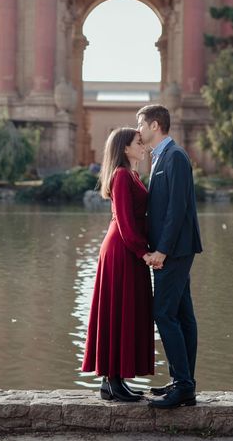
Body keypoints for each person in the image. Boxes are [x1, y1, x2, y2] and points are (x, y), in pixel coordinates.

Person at [81, 127, 155, 402]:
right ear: (125, 148)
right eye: (139, 142)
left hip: (127, 250)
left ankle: (114, 383)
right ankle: (111, 382)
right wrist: (143, 253)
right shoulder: (122, 176)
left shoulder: (131, 174)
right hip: (122, 250)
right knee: (119, 310)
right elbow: (124, 220)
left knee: (124, 311)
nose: (143, 146)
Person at [136, 104, 203, 409]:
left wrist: (162, 249)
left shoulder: (174, 156)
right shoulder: (161, 156)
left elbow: (176, 209)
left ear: (154, 125)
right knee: (182, 315)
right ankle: (182, 381)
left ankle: (184, 386)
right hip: (175, 249)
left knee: (163, 313)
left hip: (175, 250)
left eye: (141, 124)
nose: (138, 130)